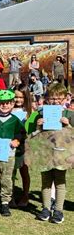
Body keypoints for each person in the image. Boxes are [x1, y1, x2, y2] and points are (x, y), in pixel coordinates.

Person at [27, 83, 73, 224]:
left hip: (62, 155)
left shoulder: (69, 115)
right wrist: (38, 126)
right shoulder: (40, 114)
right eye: (52, 98)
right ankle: (46, 208)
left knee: (59, 182)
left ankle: (58, 210)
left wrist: (69, 125)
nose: (55, 101)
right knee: (46, 182)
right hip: (45, 152)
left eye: (58, 98)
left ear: (65, 99)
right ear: (47, 99)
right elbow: (32, 135)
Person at [0, 89, 25, 217]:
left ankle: (5, 202)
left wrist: (17, 140)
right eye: (2, 102)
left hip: (8, 154)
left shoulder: (14, 120)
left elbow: (21, 133)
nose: (5, 105)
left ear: (12, 104)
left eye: (8, 103)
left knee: (7, 179)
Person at [11, 85, 33, 207]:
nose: (18, 100)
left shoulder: (29, 113)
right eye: (16, 97)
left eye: (21, 97)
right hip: (11, 145)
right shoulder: (8, 109)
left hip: (25, 146)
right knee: (10, 171)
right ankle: (10, 195)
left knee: (24, 171)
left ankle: (25, 195)